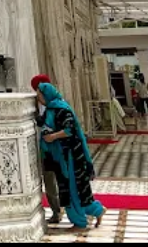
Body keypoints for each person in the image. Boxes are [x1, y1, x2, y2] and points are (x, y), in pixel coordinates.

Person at [36, 82, 105, 232]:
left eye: (39, 95)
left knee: (72, 188)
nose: (38, 98)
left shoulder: (61, 109)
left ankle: (79, 223)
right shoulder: (51, 109)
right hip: (62, 156)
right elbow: (43, 122)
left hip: (70, 156)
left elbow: (69, 129)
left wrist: (53, 137)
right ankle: (97, 210)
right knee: (75, 188)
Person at [31, 74, 63, 225]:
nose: (37, 95)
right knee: (49, 181)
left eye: (39, 91)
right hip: (46, 150)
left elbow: (69, 128)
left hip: (58, 149)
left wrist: (54, 136)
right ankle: (56, 211)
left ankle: (72, 210)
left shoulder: (58, 106)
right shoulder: (38, 104)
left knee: (61, 180)